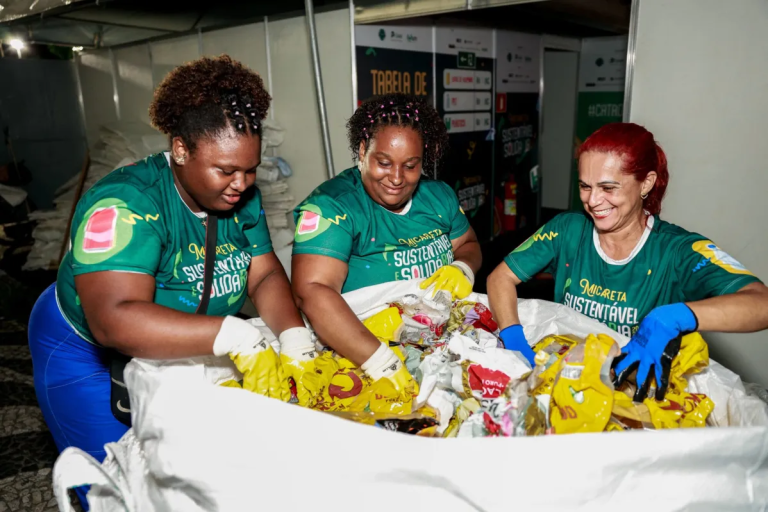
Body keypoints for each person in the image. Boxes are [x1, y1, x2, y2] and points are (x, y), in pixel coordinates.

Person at [28, 55, 312, 509]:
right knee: (114, 484)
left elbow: (263, 271)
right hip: (85, 350)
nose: (242, 183)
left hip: (181, 337)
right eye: (226, 170)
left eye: (251, 168)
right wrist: (231, 332)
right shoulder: (126, 203)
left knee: (188, 470)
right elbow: (113, 320)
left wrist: (294, 334)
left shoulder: (241, 198)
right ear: (181, 149)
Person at [488, 122, 768, 400]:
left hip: (637, 395)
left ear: (645, 183)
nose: (593, 200)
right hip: (568, 385)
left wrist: (677, 316)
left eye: (608, 188)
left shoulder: (677, 250)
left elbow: (761, 304)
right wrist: (514, 340)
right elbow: (500, 278)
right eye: (585, 186)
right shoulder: (567, 231)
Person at [291, 93, 482, 396]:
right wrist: (380, 361)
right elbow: (312, 292)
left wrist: (462, 268)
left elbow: (468, 243)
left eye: (410, 166)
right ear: (363, 150)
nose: (396, 178)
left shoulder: (438, 196)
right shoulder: (334, 207)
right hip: (360, 348)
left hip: (439, 336)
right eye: (383, 162)